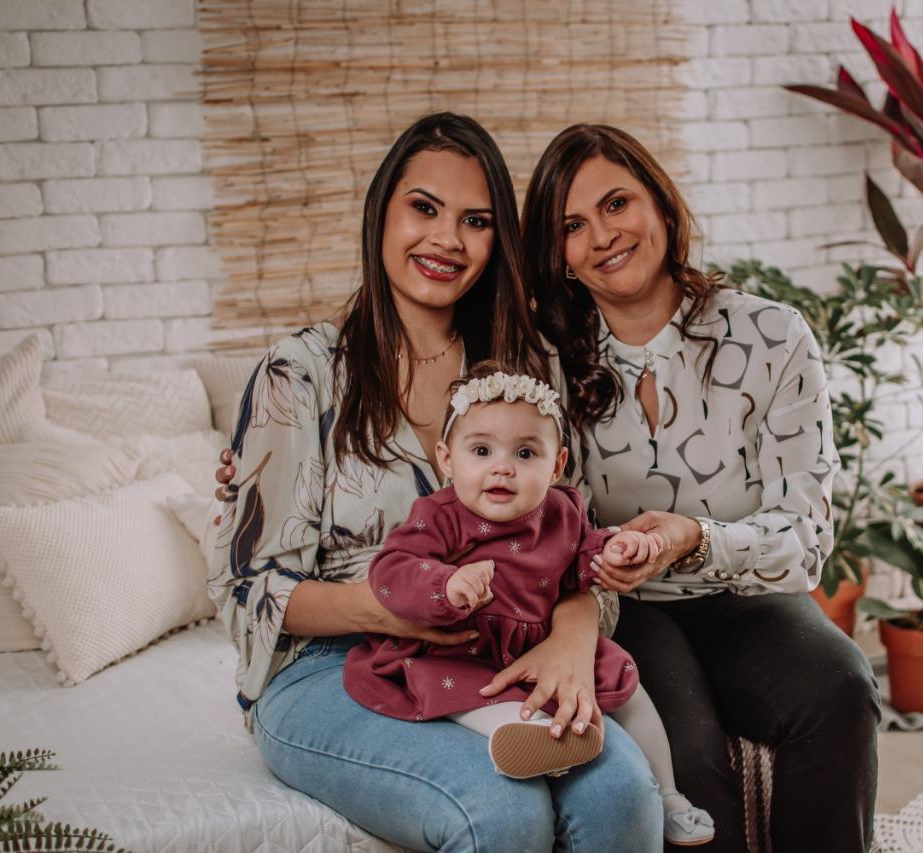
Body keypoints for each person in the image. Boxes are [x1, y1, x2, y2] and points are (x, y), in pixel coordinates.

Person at [207, 113, 661, 853]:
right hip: (328, 666)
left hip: (499, 656)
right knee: (499, 810)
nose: (447, 239)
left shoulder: (524, 367)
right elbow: (247, 587)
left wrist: (573, 637)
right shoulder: (301, 374)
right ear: (381, 212)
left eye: (475, 221)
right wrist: (388, 608)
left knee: (624, 792)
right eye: (424, 208)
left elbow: (573, 543)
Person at [521, 124, 882, 852]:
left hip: (747, 594)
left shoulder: (774, 337)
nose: (603, 235)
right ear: (558, 257)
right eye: (572, 226)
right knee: (687, 763)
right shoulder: (545, 362)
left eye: (616, 203)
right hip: (623, 610)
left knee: (840, 688)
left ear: (660, 202)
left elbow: (807, 538)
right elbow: (545, 526)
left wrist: (696, 539)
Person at [343, 362, 715, 846]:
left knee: (628, 685)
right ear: (446, 459)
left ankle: (668, 795)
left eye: (525, 453)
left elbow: (582, 563)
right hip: (467, 652)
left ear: (556, 466)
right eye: (481, 451)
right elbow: (391, 571)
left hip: (542, 644)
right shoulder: (439, 516)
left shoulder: (563, 510)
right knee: (468, 695)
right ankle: (538, 741)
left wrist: (617, 549)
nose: (503, 467)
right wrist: (446, 585)